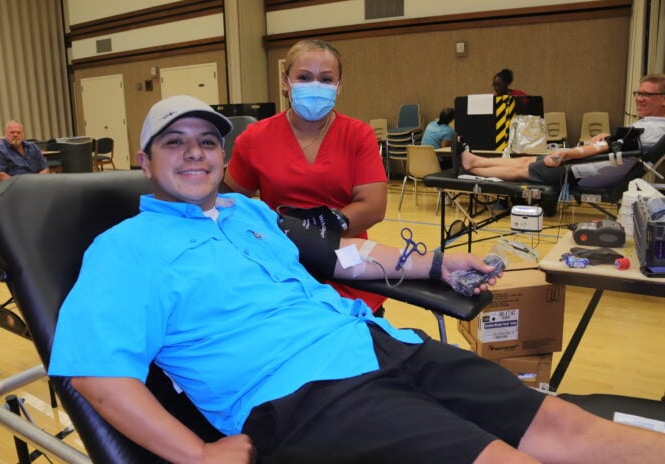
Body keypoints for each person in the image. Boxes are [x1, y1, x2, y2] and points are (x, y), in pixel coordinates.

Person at [49, 96, 665, 464]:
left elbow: (338, 257)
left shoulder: (249, 213)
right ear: (143, 158)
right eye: (174, 142)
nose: (194, 154)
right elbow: (95, 373)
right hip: (299, 398)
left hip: (382, 345)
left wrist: (435, 263)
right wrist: (196, 454)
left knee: (567, 427)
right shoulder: (124, 250)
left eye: (207, 142)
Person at [223, 39, 387, 314]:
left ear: (339, 85)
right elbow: (230, 202)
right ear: (286, 82)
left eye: (326, 79)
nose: (315, 86)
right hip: (278, 265)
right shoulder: (255, 137)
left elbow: (373, 206)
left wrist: (317, 237)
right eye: (304, 77)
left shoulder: (358, 135)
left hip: (345, 260)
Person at [461, 74, 665, 187]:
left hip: (582, 171)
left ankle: (471, 169)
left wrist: (566, 153)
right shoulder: (651, 126)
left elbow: (602, 148)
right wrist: (609, 137)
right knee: (526, 161)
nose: (639, 98)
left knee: (521, 170)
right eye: (638, 93)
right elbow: (614, 143)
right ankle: (476, 161)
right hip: (588, 166)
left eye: (646, 94)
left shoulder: (650, 129)